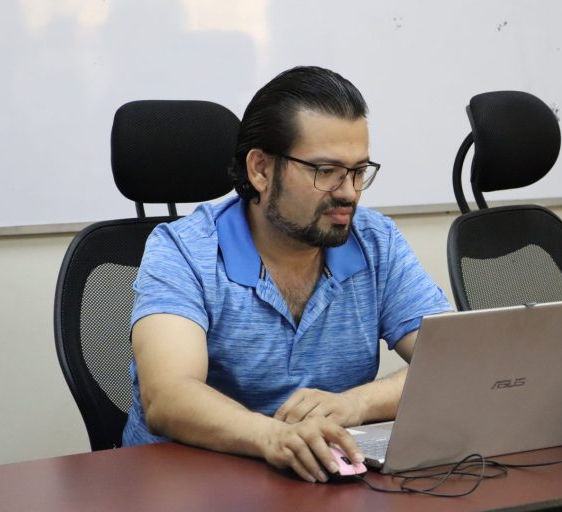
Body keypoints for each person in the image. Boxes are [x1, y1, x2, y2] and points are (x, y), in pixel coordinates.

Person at [122, 66, 451, 483]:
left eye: (358, 171)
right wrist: (275, 437)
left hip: (319, 481)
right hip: (188, 486)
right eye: (325, 171)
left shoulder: (375, 241)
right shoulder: (183, 249)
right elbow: (167, 396)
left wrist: (356, 404)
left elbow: (455, 361)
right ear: (260, 169)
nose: (349, 192)